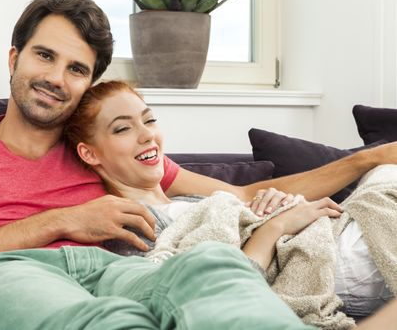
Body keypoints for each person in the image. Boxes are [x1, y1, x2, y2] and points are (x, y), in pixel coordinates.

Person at [0, 0, 397, 330]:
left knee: (212, 268)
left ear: (87, 85)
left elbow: (238, 197)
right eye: (44, 56)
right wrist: (62, 220)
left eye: (76, 69)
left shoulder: (104, 152)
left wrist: (368, 158)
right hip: (3, 275)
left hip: (114, 270)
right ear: (14, 58)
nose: (57, 77)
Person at [64, 80, 395, 324]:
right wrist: (275, 226)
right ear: (90, 152)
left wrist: (272, 205)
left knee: (384, 171)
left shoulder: (192, 197)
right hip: (326, 260)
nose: (147, 134)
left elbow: (245, 201)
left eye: (149, 120)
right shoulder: (129, 223)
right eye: (123, 128)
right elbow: (206, 291)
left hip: (334, 230)